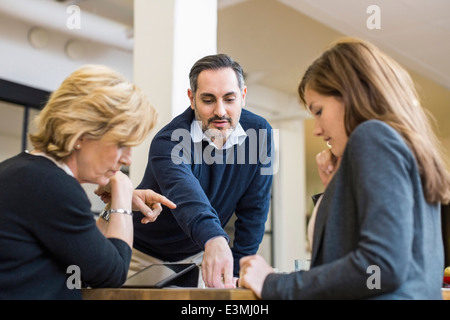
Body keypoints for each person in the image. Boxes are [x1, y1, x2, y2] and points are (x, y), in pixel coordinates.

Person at [239, 38, 450, 299]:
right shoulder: (405, 147)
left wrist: (272, 283)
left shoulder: (372, 136)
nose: (316, 129)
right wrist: (336, 188)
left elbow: (379, 267)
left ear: (350, 95)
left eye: (318, 111)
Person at [0, 65, 175, 299]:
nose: (127, 159)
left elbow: (89, 261)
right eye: (121, 144)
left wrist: (112, 208)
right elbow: (112, 273)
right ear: (82, 133)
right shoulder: (51, 185)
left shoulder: (27, 173)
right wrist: (122, 190)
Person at [131, 54, 274, 288]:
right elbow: (188, 197)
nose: (220, 111)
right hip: (142, 254)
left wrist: (237, 272)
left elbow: (255, 209)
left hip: (199, 255)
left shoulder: (260, 134)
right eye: (208, 100)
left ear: (243, 96)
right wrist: (215, 239)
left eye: (229, 99)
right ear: (192, 98)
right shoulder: (169, 141)